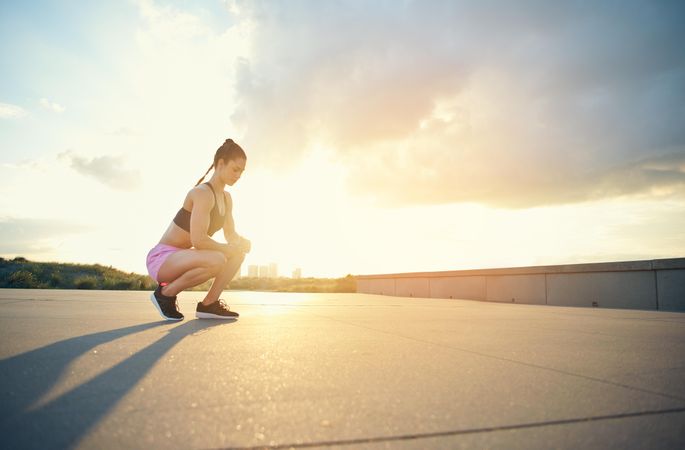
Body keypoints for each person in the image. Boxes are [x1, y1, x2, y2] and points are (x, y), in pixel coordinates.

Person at [145, 138, 251, 321]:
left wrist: (241, 242)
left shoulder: (226, 199)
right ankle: (165, 294)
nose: (238, 175)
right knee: (218, 259)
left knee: (238, 254)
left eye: (241, 172)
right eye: (235, 169)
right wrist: (227, 249)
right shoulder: (202, 193)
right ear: (220, 164)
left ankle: (209, 304)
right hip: (162, 259)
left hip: (185, 257)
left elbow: (230, 234)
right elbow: (199, 241)